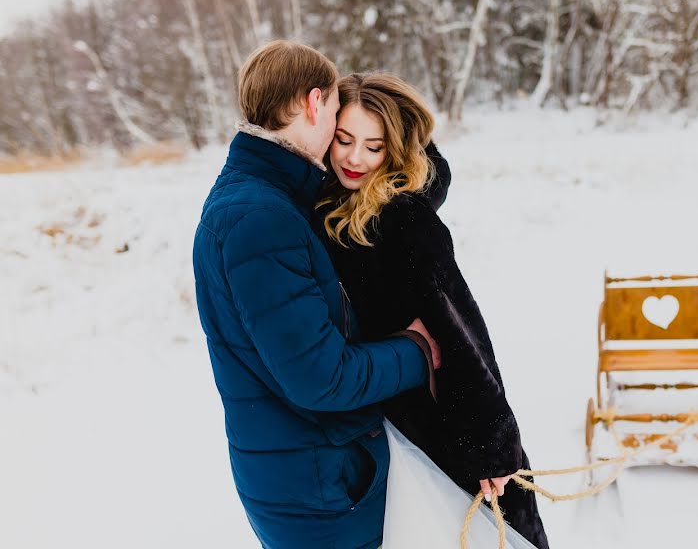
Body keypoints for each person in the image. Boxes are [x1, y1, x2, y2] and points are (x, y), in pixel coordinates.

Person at [192, 42, 439, 549]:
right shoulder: (263, 219)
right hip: (320, 490)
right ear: (313, 103)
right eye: (334, 111)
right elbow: (321, 379)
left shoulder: (259, 196)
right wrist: (416, 352)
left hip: (300, 472)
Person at [316, 72, 550, 549]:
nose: (355, 158)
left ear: (395, 152)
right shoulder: (327, 205)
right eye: (344, 140)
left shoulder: (405, 221)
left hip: (440, 427)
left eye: (374, 147)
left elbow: (464, 336)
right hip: (383, 419)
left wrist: (493, 448)